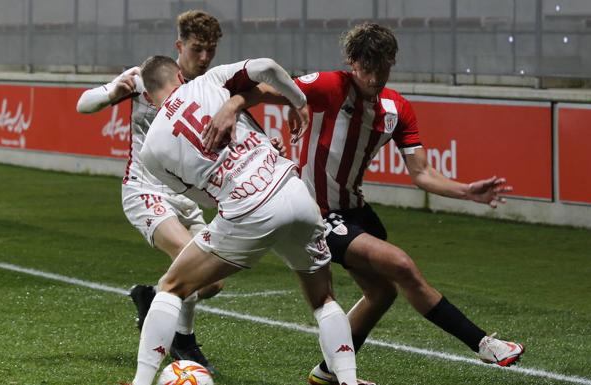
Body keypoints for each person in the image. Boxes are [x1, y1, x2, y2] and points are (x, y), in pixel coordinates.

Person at [202, 23, 525, 385]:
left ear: (391, 63)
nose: (372, 78)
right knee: (401, 264)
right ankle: (483, 344)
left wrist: (467, 191)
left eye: (381, 69)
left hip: (357, 212)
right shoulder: (329, 86)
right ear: (351, 62)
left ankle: (327, 373)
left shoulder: (397, 109)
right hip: (317, 214)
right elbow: (263, 89)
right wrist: (231, 105)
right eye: (365, 69)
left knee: (381, 292)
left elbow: (422, 173)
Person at [125, 54, 360, 385]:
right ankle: (348, 380)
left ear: (148, 97)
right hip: (294, 191)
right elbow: (266, 67)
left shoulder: (150, 152)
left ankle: (140, 382)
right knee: (323, 299)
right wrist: (298, 102)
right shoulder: (209, 81)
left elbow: (202, 196)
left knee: (171, 286)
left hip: (248, 209)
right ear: (180, 75)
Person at [75, 10, 226, 372]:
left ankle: (152, 298)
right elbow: (83, 105)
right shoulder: (146, 78)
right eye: (197, 48)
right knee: (194, 261)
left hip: (187, 196)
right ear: (180, 46)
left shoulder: (213, 88)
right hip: (145, 190)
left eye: (210, 50)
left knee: (213, 282)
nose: (204, 58)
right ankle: (184, 342)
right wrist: (113, 91)